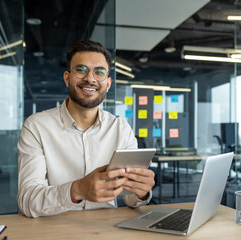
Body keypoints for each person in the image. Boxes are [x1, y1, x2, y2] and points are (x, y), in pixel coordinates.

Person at [17, 40, 155, 218]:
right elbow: (27, 200)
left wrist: (140, 192)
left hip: (107, 229)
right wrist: (77, 190)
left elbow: (130, 199)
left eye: (99, 72)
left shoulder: (120, 127)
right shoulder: (37, 126)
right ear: (67, 78)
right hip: (53, 229)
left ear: (108, 83)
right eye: (81, 70)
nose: (90, 78)